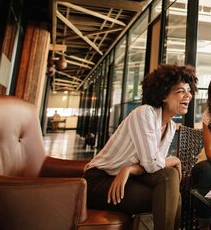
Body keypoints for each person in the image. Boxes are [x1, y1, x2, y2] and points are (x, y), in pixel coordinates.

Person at [83, 64, 198, 230]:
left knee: (169, 180)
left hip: (127, 177)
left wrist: (129, 169)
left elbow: (154, 167)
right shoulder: (145, 113)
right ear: (164, 95)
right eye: (181, 91)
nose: (188, 95)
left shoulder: (171, 126)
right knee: (169, 194)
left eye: (189, 90)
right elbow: (153, 164)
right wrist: (174, 159)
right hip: (98, 182)